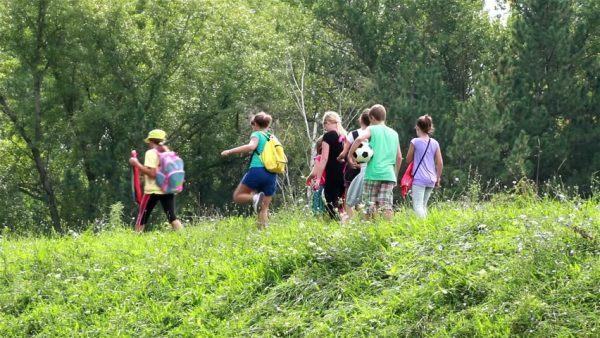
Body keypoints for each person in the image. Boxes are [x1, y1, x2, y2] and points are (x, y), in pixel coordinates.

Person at [221, 112, 276, 229]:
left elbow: (251, 146)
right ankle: (263, 234)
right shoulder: (272, 137)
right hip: (271, 173)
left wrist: (230, 151)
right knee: (264, 207)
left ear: (255, 124)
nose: (252, 126)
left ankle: (255, 197)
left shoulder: (257, 134)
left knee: (238, 196)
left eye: (252, 124)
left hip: (257, 170)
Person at [348, 104, 402, 220]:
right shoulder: (394, 133)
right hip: (389, 175)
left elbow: (359, 139)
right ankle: (388, 231)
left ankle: (368, 230)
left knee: (369, 205)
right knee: (386, 206)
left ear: (371, 118)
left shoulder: (371, 129)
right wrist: (395, 176)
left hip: (373, 174)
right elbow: (399, 157)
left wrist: (350, 155)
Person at [129, 129, 183, 232]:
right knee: (172, 217)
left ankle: (134, 242)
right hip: (167, 189)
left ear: (151, 141)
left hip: (153, 190)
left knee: (141, 218)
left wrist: (136, 164)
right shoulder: (168, 152)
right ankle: (186, 239)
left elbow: (153, 173)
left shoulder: (151, 153)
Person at [308, 111, 347, 220]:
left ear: (329, 122)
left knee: (330, 201)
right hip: (344, 173)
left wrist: (319, 179)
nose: (324, 127)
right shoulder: (343, 136)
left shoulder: (328, 136)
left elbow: (324, 158)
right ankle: (344, 223)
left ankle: (336, 224)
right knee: (340, 203)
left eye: (325, 124)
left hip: (332, 173)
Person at [405, 115, 443, 218]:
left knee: (417, 206)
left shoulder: (415, 142)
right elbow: (440, 163)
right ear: (430, 128)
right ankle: (426, 227)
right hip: (431, 178)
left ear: (417, 127)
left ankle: (424, 227)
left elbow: (408, 159)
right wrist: (438, 178)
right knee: (423, 206)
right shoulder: (435, 143)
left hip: (419, 178)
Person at [338, 109, 371, 219]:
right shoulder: (373, 134)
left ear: (360, 119)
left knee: (349, 196)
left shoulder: (353, 134)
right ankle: (364, 219)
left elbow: (344, 153)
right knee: (365, 197)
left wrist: (339, 158)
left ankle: (350, 220)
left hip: (352, 168)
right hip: (369, 168)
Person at [307, 137, 326, 215]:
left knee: (317, 206)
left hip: (320, 185)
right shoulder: (329, 159)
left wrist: (307, 179)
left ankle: (318, 219)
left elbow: (314, 173)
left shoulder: (318, 158)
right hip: (329, 185)